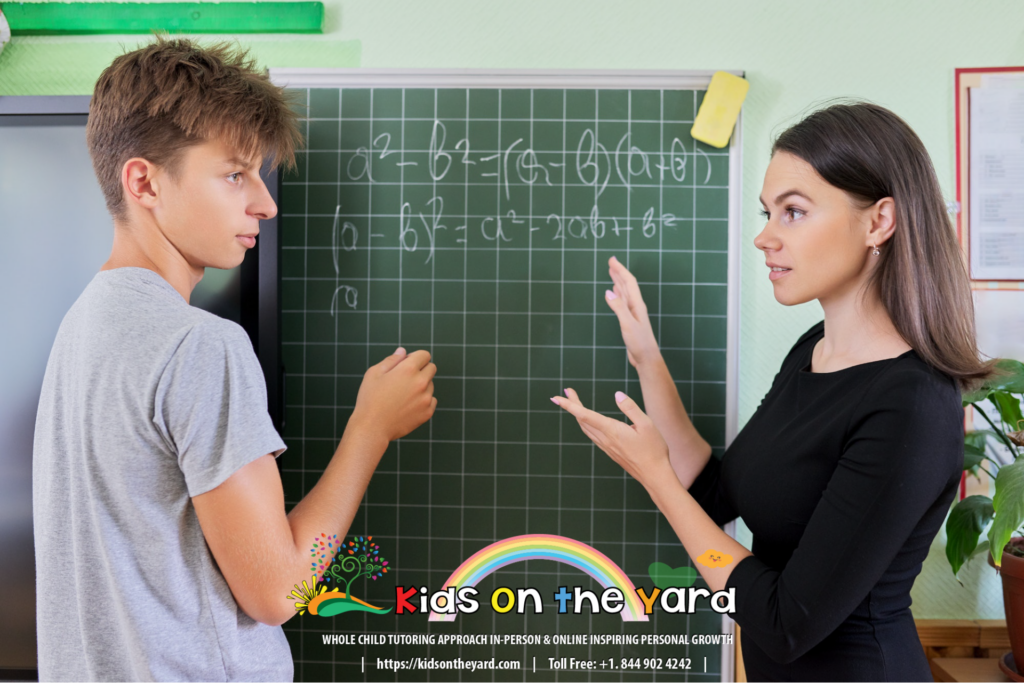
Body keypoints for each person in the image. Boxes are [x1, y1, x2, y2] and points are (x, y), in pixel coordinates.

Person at [32, 36, 437, 681]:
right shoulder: (200, 345)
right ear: (144, 181)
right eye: (233, 174)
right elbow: (279, 592)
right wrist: (370, 430)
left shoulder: (80, 327)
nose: (266, 203)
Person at [551, 102, 992, 682]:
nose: (763, 237)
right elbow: (714, 495)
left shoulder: (910, 404)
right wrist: (645, 356)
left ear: (878, 221)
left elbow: (783, 623)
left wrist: (655, 478)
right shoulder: (814, 350)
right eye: (768, 213)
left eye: (793, 212)